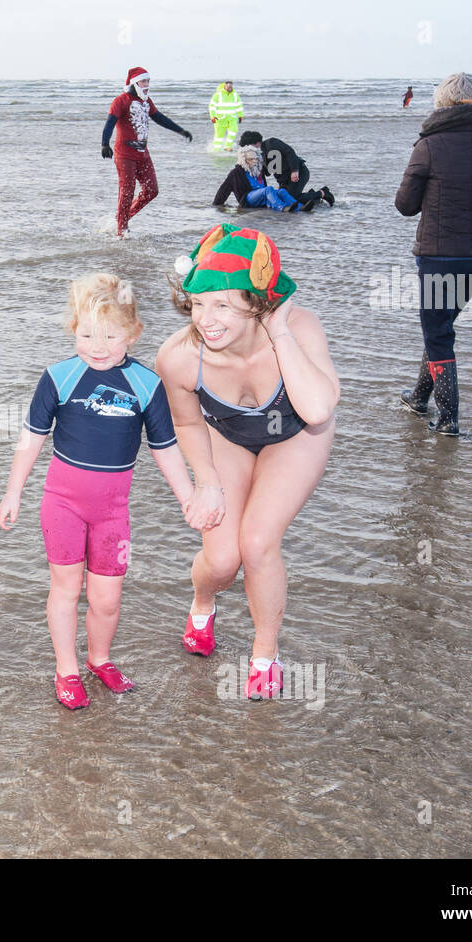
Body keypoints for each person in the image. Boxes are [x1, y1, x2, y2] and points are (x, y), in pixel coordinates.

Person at [0, 274, 194, 709]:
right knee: (65, 588)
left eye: (110, 335)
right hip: (61, 503)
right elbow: (31, 439)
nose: (97, 346)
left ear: (133, 333)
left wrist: (188, 497)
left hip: (112, 512)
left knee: (107, 597)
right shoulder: (59, 377)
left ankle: (99, 658)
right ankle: (66, 668)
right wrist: (13, 493)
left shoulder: (146, 384)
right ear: (72, 329)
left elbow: (165, 448)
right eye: (86, 334)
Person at [156, 224, 339, 700]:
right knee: (221, 561)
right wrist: (207, 480)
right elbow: (189, 424)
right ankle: (202, 602)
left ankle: (264, 653)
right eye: (198, 303)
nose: (206, 319)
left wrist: (278, 330)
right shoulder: (178, 358)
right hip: (226, 438)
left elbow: (319, 409)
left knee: (257, 543)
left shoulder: (298, 327)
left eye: (223, 304)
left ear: (259, 301)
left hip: (297, 434)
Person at [394, 73, 472, 437]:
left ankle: (449, 419)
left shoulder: (429, 144)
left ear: (443, 103)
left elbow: (405, 204)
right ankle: (419, 398)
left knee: (438, 333)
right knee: (441, 328)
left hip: (441, 253)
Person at [101, 66, 193, 238]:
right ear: (135, 83)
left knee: (152, 190)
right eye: (143, 81)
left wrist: (180, 131)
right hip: (125, 155)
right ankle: (122, 230)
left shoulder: (146, 101)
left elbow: (159, 118)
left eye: (148, 81)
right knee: (127, 191)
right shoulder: (121, 100)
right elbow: (110, 122)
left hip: (142, 154)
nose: (146, 84)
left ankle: (122, 218)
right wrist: (104, 143)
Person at [238, 130, 334, 207]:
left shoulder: (271, 143)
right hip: (284, 181)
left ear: (257, 143)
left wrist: (294, 171)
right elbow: (264, 175)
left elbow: (290, 152)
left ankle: (322, 193)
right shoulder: (257, 157)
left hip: (299, 172)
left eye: (249, 147)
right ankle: (312, 196)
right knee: (283, 198)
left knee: (293, 198)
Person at [212, 144, 312, 212]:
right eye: (251, 159)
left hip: (261, 195)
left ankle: (300, 207)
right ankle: (282, 208)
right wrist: (216, 204)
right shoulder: (236, 173)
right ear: (244, 160)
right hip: (248, 198)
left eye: (256, 158)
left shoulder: (259, 169)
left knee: (281, 191)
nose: (254, 161)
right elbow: (224, 189)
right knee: (268, 189)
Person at [207, 80, 244, 151]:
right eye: (228, 86)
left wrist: (240, 115)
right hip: (220, 118)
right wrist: (212, 116)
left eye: (231, 86)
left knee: (234, 130)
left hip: (232, 118)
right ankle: (217, 150)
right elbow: (212, 106)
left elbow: (239, 106)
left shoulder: (235, 95)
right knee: (219, 136)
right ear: (225, 86)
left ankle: (228, 146)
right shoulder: (218, 94)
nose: (230, 87)